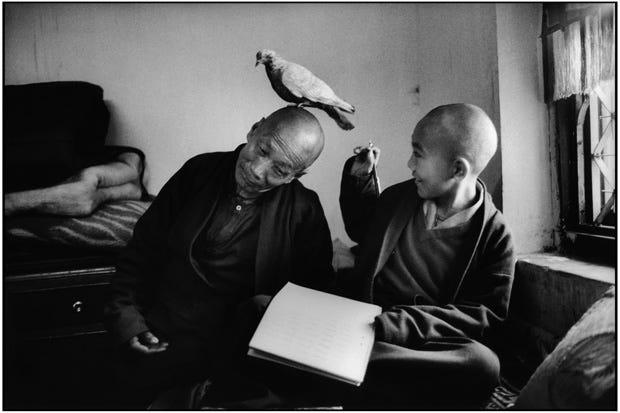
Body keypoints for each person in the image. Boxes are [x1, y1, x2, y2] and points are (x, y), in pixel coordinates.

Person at [103, 106, 334, 407]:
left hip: (241, 361)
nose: (257, 170)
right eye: (262, 149)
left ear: (295, 175)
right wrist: (128, 321)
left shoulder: (304, 210)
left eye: (279, 170)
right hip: (162, 339)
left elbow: (314, 299)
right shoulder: (198, 172)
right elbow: (142, 252)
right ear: (254, 129)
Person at [338, 103, 516, 408]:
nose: (409, 163)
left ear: (457, 169)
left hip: (417, 340)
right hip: (362, 320)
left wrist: (398, 323)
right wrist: (359, 178)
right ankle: (352, 366)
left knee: (483, 364)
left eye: (418, 154)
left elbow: (485, 316)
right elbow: (361, 231)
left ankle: (337, 363)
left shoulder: (495, 234)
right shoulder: (398, 198)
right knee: (260, 308)